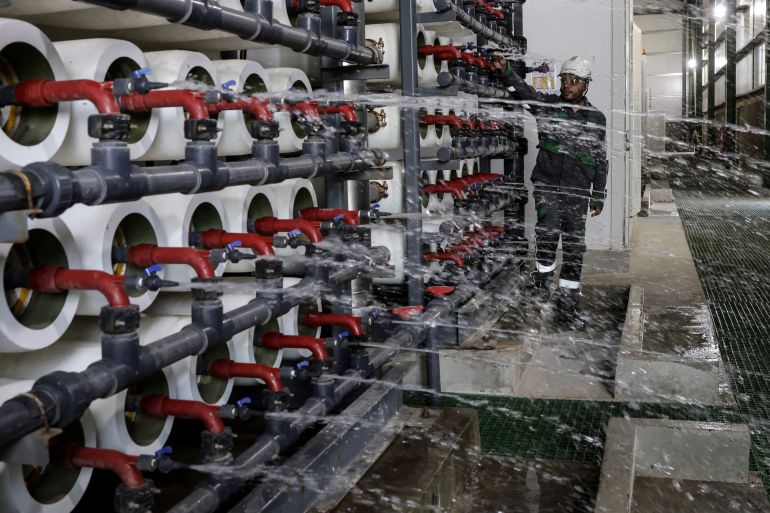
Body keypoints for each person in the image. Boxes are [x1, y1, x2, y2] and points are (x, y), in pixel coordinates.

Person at [493, 55, 608, 329]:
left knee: (574, 248)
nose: (567, 85)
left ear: (586, 85)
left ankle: (567, 309)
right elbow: (525, 93)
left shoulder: (596, 118)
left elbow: (601, 158)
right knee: (547, 236)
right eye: (565, 79)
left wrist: (598, 193)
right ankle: (540, 291)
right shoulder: (547, 106)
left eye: (574, 81)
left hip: (578, 192)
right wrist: (507, 71)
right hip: (548, 187)